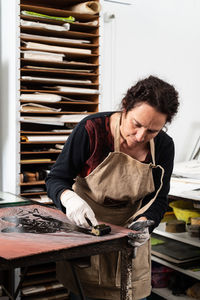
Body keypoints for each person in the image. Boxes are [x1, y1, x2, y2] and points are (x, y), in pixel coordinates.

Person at [46, 75, 179, 300]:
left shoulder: (164, 146)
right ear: (125, 106)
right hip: (88, 234)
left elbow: (159, 198)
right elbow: (56, 179)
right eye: (136, 125)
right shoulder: (92, 130)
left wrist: (146, 223)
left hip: (130, 239)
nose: (140, 137)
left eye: (152, 131)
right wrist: (70, 200)